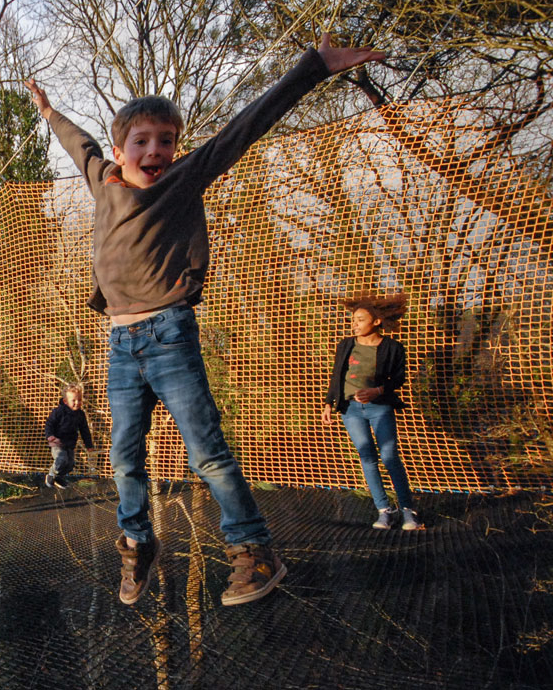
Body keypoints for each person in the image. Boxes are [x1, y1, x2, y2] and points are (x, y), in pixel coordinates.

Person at [25, 33, 385, 606]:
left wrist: (314, 66)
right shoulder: (101, 178)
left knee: (206, 451)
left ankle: (254, 550)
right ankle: (138, 542)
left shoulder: (183, 178)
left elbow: (245, 126)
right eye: (142, 141)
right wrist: (47, 111)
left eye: (166, 141)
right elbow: (78, 141)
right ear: (121, 151)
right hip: (120, 343)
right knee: (123, 454)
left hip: (169, 333)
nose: (156, 150)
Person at [322, 294, 421, 531]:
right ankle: (384, 510)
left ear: (376, 321)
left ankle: (409, 511)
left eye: (360, 319)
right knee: (366, 456)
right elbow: (337, 376)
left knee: (389, 456)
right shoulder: (346, 344)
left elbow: (398, 380)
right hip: (350, 409)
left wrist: (376, 391)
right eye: (353, 319)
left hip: (380, 408)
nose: (354, 324)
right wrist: (328, 404)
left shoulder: (393, 347)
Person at [44, 384, 94, 489]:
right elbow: (49, 424)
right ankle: (51, 474)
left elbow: (84, 430)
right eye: (74, 400)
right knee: (61, 460)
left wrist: (89, 444)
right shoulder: (58, 412)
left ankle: (59, 477)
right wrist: (50, 436)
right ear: (65, 401)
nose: (77, 403)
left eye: (79, 400)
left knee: (70, 464)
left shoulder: (80, 414)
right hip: (58, 442)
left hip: (70, 443)